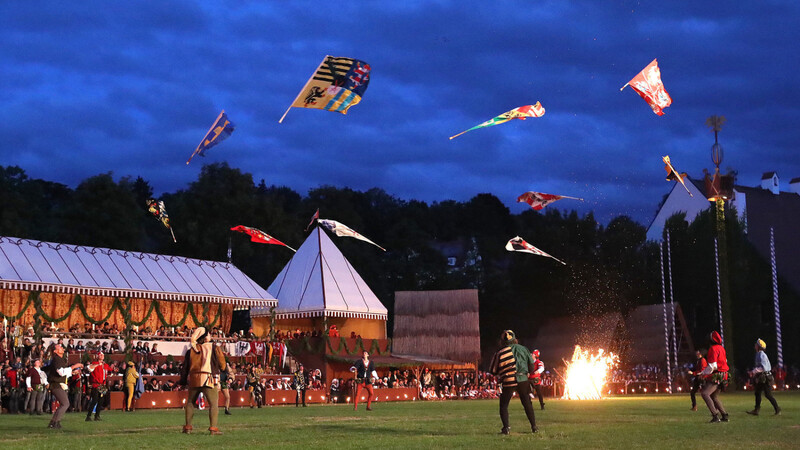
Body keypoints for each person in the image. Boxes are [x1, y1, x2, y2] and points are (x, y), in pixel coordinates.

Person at [180, 327, 226, 435]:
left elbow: (185, 368)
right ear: (205, 337)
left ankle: (188, 427)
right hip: (209, 379)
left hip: (194, 379)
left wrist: (182, 381)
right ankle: (213, 428)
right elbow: (222, 364)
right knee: (213, 404)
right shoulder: (214, 347)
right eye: (209, 334)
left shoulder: (191, 350)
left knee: (190, 402)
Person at [489, 330, 538, 434]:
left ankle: (506, 428)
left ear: (502, 341)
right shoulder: (524, 349)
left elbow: (493, 370)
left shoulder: (500, 352)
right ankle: (534, 427)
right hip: (523, 379)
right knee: (527, 403)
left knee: (504, 405)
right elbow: (531, 366)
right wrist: (527, 373)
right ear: (515, 338)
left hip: (508, 380)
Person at [46, 343, 83, 429]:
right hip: (56, 384)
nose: (62, 347)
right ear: (55, 351)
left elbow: (62, 373)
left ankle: (54, 422)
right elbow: (61, 372)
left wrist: (72, 372)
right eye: (59, 347)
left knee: (64, 403)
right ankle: (54, 422)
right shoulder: (57, 359)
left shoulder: (59, 359)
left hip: (57, 384)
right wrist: (74, 367)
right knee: (65, 403)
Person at [699, 331, 729, 423]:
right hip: (724, 374)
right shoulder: (721, 348)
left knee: (705, 393)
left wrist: (703, 373)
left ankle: (715, 416)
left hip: (717, 375)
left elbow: (713, 366)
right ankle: (724, 415)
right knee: (714, 396)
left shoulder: (713, 349)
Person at [746, 339, 781, 416]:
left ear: (759, 346)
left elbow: (763, 368)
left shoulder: (762, 355)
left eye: (756, 344)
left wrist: (753, 371)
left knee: (768, 394)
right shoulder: (759, 354)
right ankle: (756, 410)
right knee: (757, 393)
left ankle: (777, 408)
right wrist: (754, 371)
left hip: (765, 378)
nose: (755, 345)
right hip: (762, 377)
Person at [85, 352, 111, 422]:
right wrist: (96, 365)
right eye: (101, 355)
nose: (102, 356)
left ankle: (97, 415)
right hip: (95, 384)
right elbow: (89, 368)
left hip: (102, 385)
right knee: (94, 400)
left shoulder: (105, 365)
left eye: (103, 355)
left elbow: (109, 371)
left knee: (100, 401)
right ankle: (89, 415)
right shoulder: (94, 364)